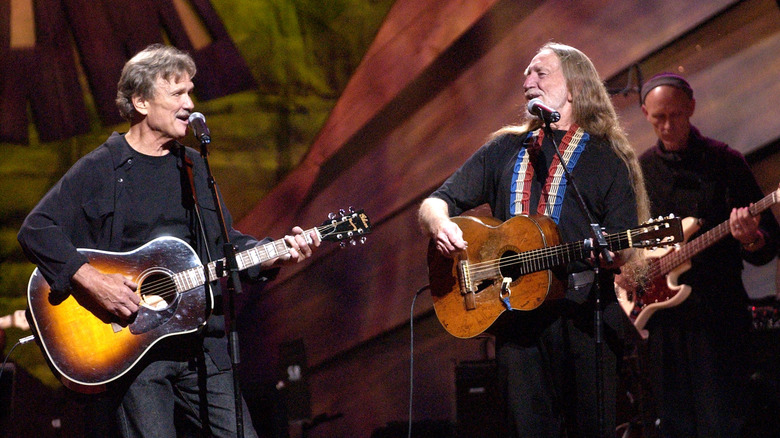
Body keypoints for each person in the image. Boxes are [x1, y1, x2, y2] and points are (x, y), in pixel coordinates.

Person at [17, 44, 320, 437]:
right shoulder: (102, 166)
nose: (189, 104)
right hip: (134, 350)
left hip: (202, 345)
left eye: (189, 92)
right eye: (177, 93)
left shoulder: (193, 167)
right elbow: (36, 229)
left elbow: (227, 248)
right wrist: (91, 278)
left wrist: (277, 254)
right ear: (141, 102)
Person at [418, 42, 650, 437]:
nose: (527, 82)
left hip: (584, 318)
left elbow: (626, 246)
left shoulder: (608, 159)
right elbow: (435, 202)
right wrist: (440, 225)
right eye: (526, 74)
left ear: (575, 88)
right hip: (516, 324)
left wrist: (614, 253)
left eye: (540, 73)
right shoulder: (504, 149)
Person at [636, 73, 779, 437]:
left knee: (723, 422)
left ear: (692, 109)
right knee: (673, 424)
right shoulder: (640, 172)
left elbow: (768, 245)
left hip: (719, 317)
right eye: (658, 118)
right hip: (664, 324)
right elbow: (627, 242)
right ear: (644, 114)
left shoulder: (725, 162)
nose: (667, 126)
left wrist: (751, 239)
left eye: (675, 115)